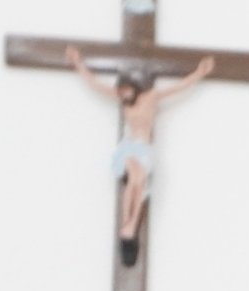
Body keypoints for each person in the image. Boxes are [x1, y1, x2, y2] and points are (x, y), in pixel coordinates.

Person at [66, 47, 216, 265]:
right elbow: (96, 85)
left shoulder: (151, 97)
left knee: (138, 181)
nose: (124, 96)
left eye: (127, 91)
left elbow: (178, 87)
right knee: (134, 175)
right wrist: (78, 63)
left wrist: (199, 73)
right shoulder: (121, 96)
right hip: (128, 147)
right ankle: (126, 223)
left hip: (144, 147)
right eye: (122, 93)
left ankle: (131, 226)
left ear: (134, 87)